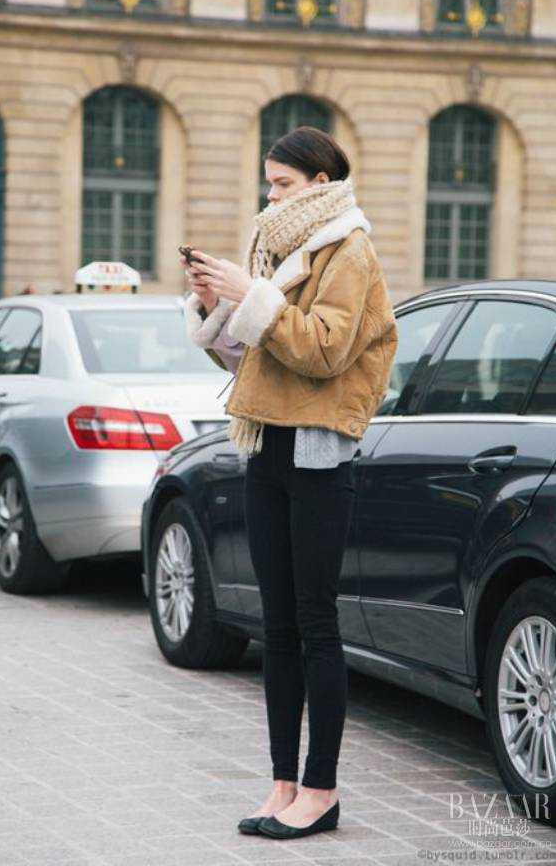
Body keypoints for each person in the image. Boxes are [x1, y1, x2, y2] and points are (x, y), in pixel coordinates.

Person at [181, 126, 398, 841]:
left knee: (314, 623)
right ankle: (282, 784)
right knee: (276, 627)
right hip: (266, 441)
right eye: (268, 183)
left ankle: (321, 790)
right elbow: (254, 357)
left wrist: (253, 296)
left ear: (321, 182)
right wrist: (217, 305)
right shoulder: (276, 248)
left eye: (283, 184)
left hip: (319, 452)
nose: (270, 195)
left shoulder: (348, 249)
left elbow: (324, 350)